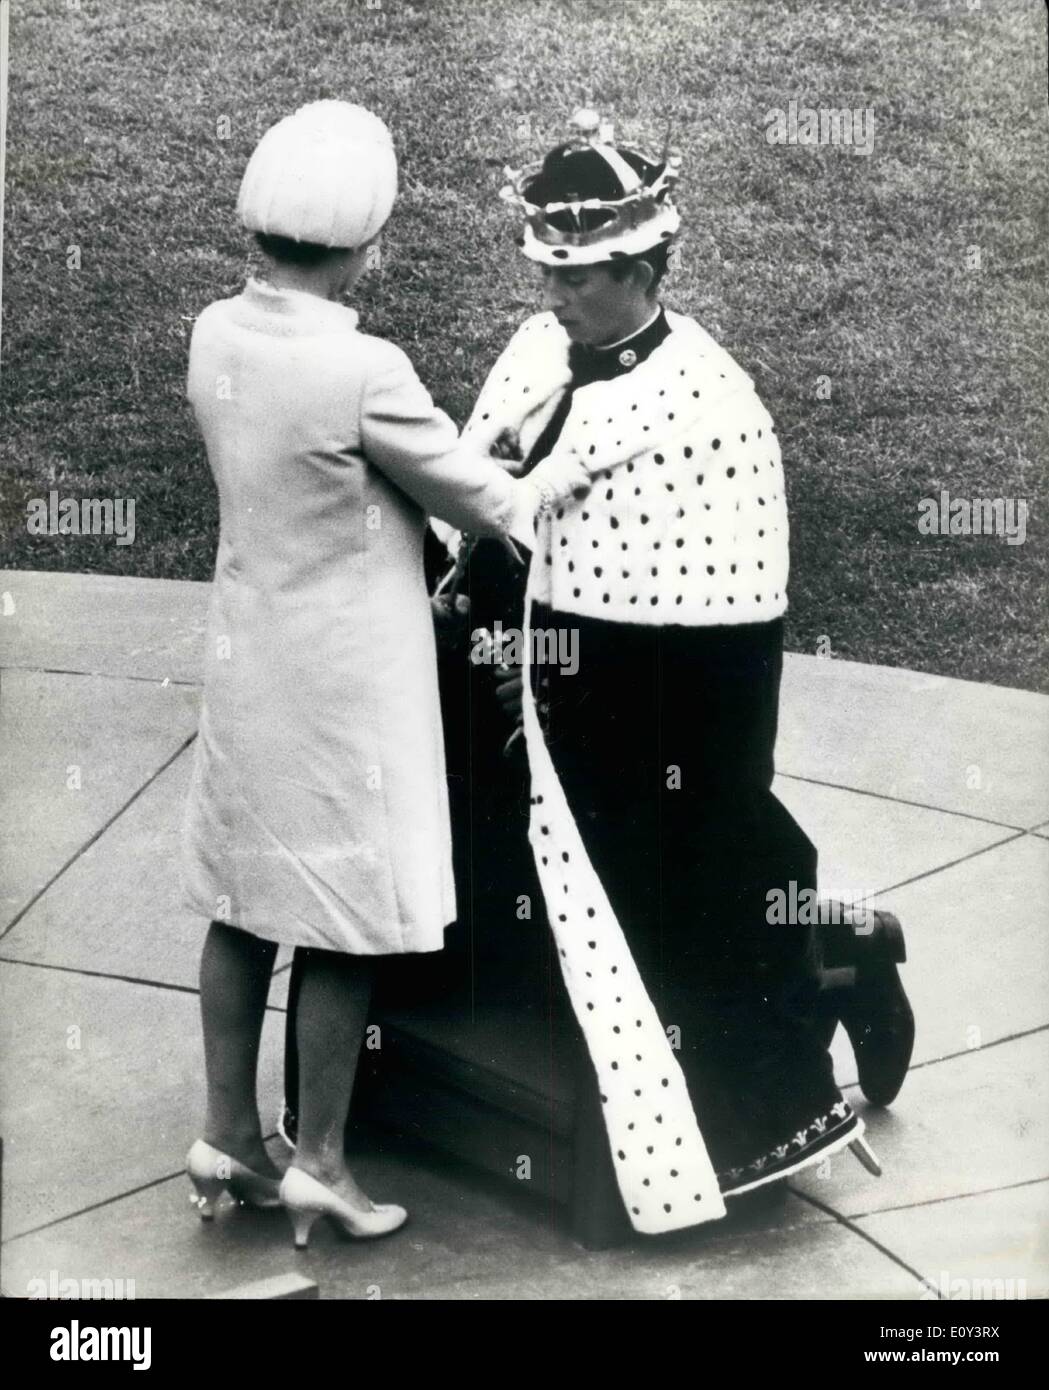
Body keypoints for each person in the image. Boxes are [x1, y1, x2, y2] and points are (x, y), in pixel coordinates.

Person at [440, 109, 914, 1234]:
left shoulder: (708, 404)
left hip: (659, 706)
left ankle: (837, 953)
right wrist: (514, 651)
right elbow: (484, 502)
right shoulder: (534, 352)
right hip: (549, 667)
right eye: (547, 272)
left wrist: (556, 689)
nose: (557, 296)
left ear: (644, 267)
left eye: (584, 277)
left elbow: (710, 641)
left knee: (689, 866)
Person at [180, 101, 569, 1250]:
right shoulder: (365, 367)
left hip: (249, 657)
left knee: (242, 906)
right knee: (342, 923)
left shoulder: (214, 332)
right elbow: (488, 500)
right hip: (349, 683)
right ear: (369, 246)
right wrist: (569, 463)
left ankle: (224, 1135)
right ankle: (324, 1165)